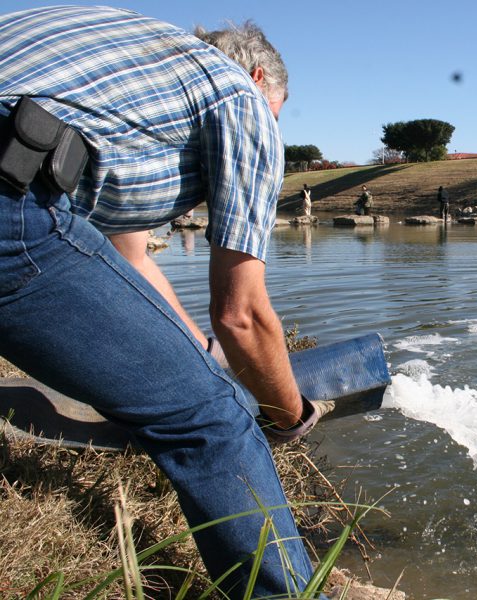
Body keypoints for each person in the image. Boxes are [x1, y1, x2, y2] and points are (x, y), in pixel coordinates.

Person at [0, 7, 327, 598]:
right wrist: (291, 416)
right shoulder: (240, 98)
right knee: (216, 419)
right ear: (259, 80)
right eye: (277, 116)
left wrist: (193, 355)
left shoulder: (127, 57)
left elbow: (130, 260)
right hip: (9, 191)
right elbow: (242, 316)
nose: (270, 132)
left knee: (196, 384)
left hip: (23, 165)